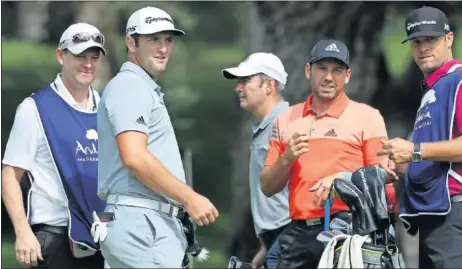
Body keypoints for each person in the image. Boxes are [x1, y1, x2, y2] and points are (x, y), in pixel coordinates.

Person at [95, 6, 218, 268]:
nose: (163, 48)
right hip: (143, 223)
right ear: (131, 42)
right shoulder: (131, 86)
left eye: (168, 40)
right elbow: (135, 157)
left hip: (141, 221)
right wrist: (190, 198)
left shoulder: (139, 87)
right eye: (153, 39)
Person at [377, 6, 462, 268]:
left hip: (459, 216)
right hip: (433, 216)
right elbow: (427, 156)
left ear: (449, 39)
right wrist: (399, 165)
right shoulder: (434, 92)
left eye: (431, 39)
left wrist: (415, 150)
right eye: (416, 42)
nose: (423, 48)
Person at [260, 39, 389, 268]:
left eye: (337, 70)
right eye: (322, 68)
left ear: (347, 75)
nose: (329, 77)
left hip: (348, 230)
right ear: (308, 70)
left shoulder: (368, 117)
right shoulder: (287, 118)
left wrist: (342, 179)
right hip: (299, 230)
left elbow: (383, 176)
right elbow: (268, 187)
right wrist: (286, 159)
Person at [1, 23, 106, 269]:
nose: (88, 64)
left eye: (94, 57)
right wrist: (22, 231)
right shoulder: (34, 108)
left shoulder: (106, 107)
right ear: (61, 55)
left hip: (103, 236)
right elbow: (9, 175)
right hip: (55, 237)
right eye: (80, 55)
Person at [222, 53, 291, 269]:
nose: (238, 88)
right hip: (277, 240)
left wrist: (281, 241)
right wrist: (266, 245)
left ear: (269, 85)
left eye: (245, 81)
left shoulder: (287, 124)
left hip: (289, 239)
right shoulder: (267, 127)